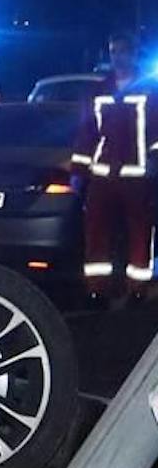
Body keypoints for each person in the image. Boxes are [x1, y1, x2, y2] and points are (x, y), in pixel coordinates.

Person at [70, 32, 156, 303]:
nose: (119, 57)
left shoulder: (151, 90)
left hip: (138, 176)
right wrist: (78, 172)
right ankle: (97, 288)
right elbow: (86, 133)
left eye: (124, 51)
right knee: (96, 232)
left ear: (134, 54)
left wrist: (155, 160)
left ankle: (137, 288)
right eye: (114, 52)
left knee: (141, 232)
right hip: (103, 175)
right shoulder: (98, 91)